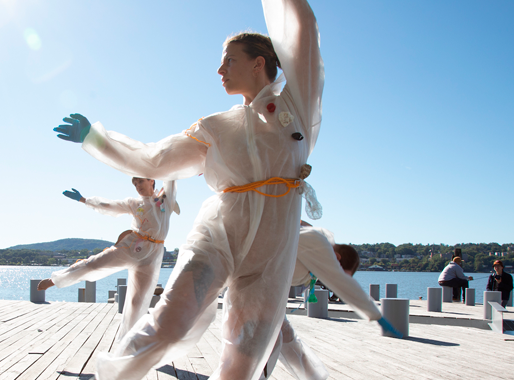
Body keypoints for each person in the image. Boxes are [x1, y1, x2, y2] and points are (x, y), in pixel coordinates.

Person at [53, 1, 325, 378]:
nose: (219, 69)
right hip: (218, 237)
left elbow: (304, 26)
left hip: (270, 255)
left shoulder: (297, 106)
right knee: (167, 324)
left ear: (258, 63)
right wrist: (98, 140)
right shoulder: (216, 128)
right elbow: (156, 159)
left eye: (229, 60)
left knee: (241, 362)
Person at [36, 178, 178, 342]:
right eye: (135, 184)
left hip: (152, 254)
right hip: (131, 246)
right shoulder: (134, 202)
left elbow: (171, 174)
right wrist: (84, 200)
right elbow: (109, 205)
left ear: (151, 180)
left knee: (138, 300)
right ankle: (56, 279)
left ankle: (128, 340)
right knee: (94, 264)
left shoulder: (166, 199)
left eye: (140, 182)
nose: (137, 186)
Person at [263, 225, 390, 380]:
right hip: (255, 293)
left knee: (287, 339)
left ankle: (314, 378)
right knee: (265, 346)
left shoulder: (314, 249)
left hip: (268, 298)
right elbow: (343, 283)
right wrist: (376, 314)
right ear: (337, 258)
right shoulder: (318, 243)